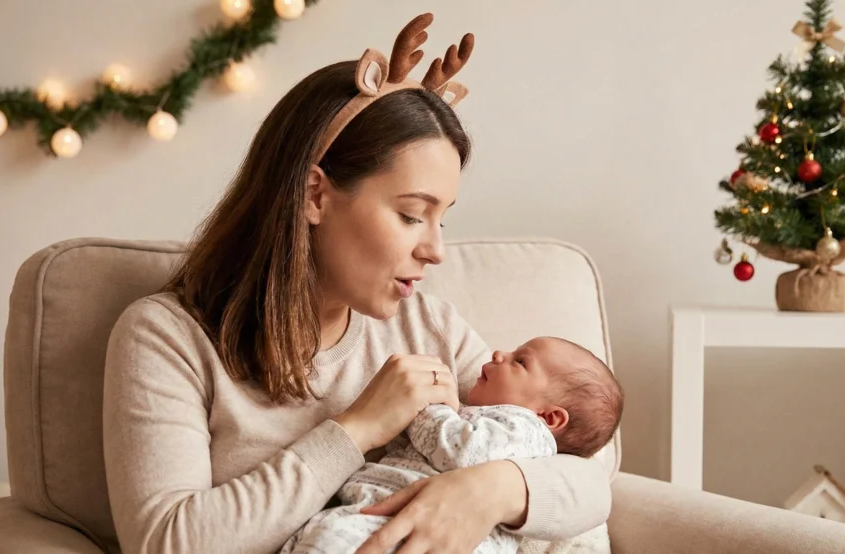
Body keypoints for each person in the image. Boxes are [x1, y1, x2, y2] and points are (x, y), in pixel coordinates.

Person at [101, 12, 613, 554]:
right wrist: (355, 430)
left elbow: (586, 485)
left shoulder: (429, 326)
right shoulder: (166, 338)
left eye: (444, 219)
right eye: (413, 215)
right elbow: (166, 542)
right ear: (315, 195)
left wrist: (489, 490)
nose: (435, 250)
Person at [280, 337, 624, 554]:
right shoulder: (491, 417)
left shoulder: (525, 431)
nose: (499, 352)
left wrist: (431, 407)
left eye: (520, 361)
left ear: (549, 418)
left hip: (412, 533)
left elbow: (463, 450)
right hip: (376, 515)